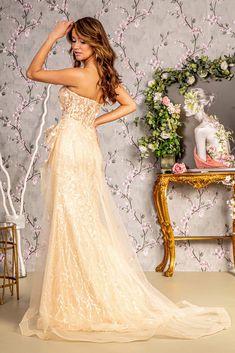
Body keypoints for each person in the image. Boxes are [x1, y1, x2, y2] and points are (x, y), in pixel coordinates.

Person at [19, 17, 231, 342]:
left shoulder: (77, 74)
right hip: (85, 146)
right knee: (80, 220)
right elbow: (128, 104)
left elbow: (32, 72)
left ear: (95, 43)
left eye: (81, 41)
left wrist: (52, 36)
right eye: (72, 40)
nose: (75, 46)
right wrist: (93, 121)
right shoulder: (103, 75)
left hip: (72, 148)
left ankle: (75, 299)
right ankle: (82, 293)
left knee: (70, 220)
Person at [183, 88, 235, 169]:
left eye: (188, 103)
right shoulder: (215, 122)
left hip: (219, 174)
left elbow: (202, 165)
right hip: (229, 171)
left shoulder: (200, 130)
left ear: (200, 105)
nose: (184, 107)